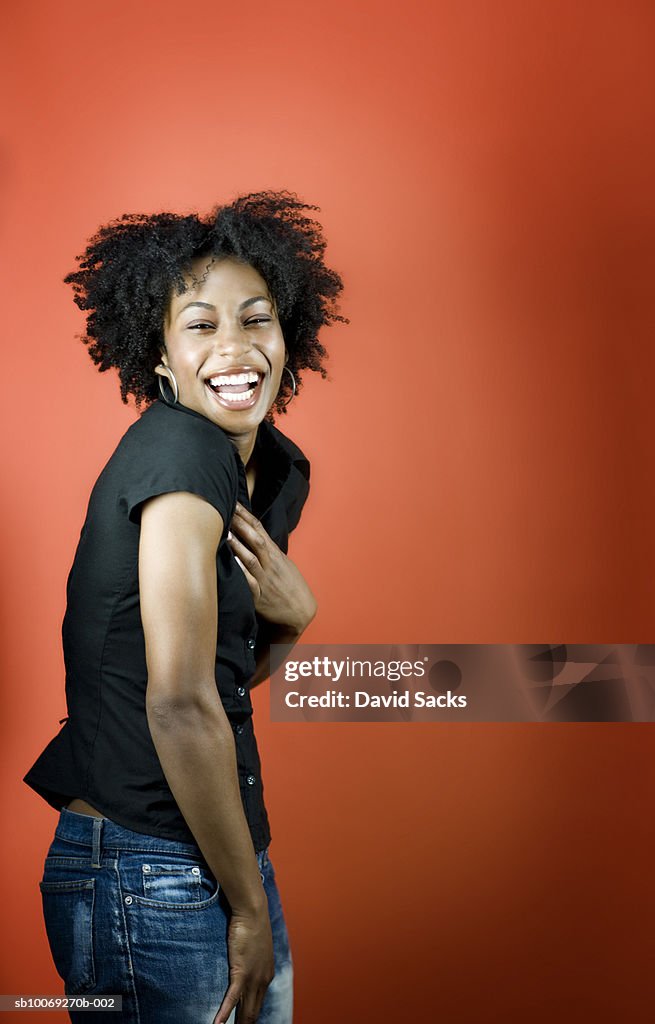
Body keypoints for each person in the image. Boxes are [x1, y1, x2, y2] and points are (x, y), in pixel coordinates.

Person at [23, 191, 347, 1024]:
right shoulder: (183, 450)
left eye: (256, 319)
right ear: (161, 357)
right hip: (147, 869)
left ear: (289, 334)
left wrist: (293, 620)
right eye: (201, 325)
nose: (236, 348)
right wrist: (245, 910)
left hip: (212, 852)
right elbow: (176, 701)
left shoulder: (263, 466)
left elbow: (221, 676)